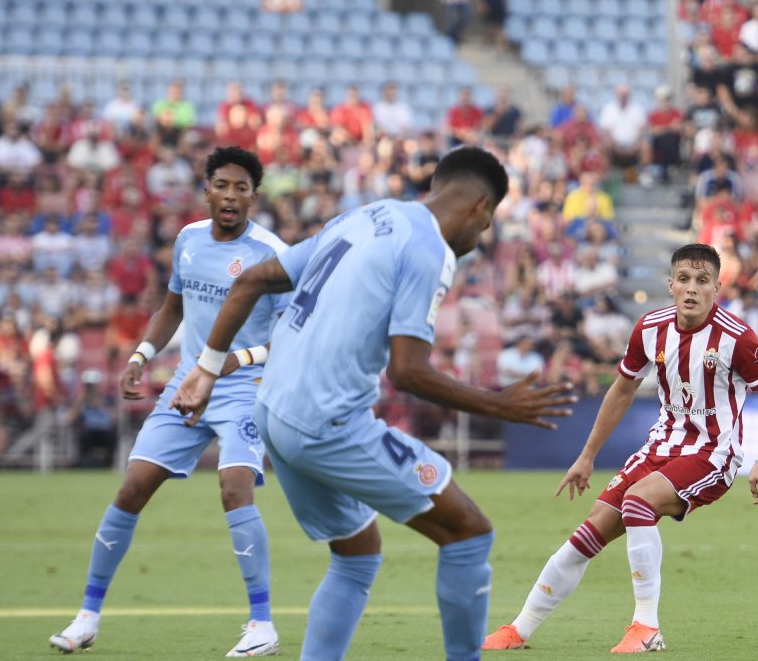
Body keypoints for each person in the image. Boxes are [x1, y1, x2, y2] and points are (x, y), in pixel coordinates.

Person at [168, 147, 575, 661]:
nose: (483, 235)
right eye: (489, 221)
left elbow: (252, 279)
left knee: (357, 554)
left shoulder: (364, 217)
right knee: (468, 533)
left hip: (272, 412)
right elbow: (408, 371)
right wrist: (500, 406)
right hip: (326, 424)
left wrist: (206, 369)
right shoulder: (430, 250)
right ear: (479, 208)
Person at [482, 243, 758, 653]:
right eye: (684, 279)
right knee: (589, 531)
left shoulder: (736, 338)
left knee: (638, 502)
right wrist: (587, 455)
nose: (692, 289)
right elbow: (622, 389)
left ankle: (646, 627)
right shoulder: (650, 328)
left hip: (712, 453)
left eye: (702, 281)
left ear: (717, 288)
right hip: (661, 445)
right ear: (670, 285)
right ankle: (519, 629)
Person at [49, 147, 289, 657]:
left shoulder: (273, 253)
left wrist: (236, 359)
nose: (230, 195)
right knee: (133, 487)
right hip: (187, 380)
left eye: (241, 188)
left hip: (244, 384)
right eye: (222, 184)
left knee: (234, 487)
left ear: (253, 196)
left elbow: (294, 334)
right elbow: (172, 307)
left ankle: (262, 623)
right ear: (207, 188)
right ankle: (87, 617)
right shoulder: (188, 239)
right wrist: (141, 353)